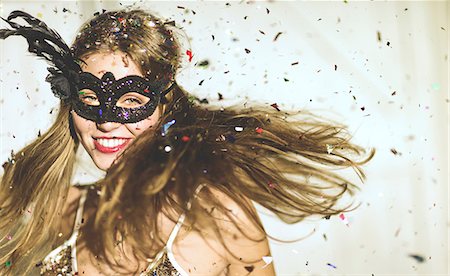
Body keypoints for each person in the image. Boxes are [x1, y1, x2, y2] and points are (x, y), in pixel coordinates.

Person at [0, 9, 374, 275]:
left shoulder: (223, 219)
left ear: (165, 106)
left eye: (131, 101)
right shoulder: (51, 208)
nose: (105, 122)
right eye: (90, 100)